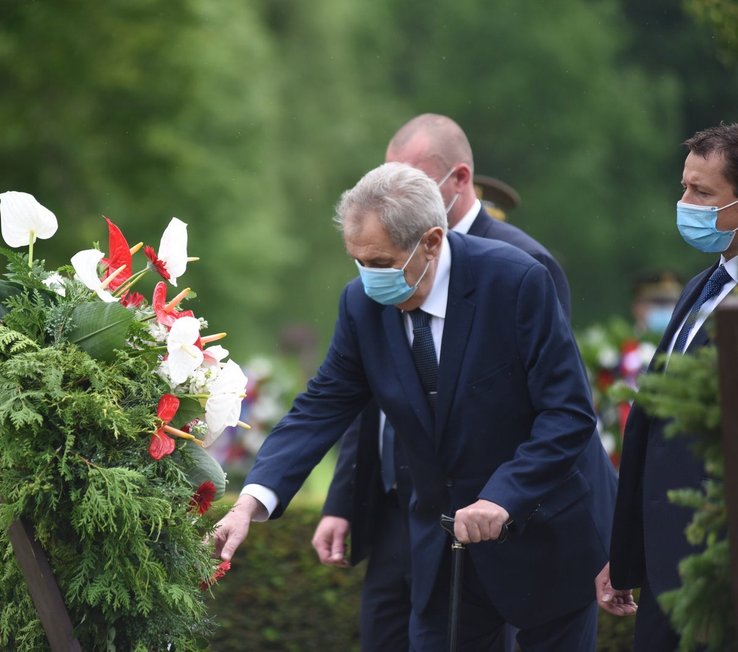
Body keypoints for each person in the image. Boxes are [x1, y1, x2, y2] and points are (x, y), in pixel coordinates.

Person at [214, 163, 617, 650]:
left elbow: (568, 414)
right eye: (357, 261)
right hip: (444, 555)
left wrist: (502, 496)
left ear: (430, 241)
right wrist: (250, 501)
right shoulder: (360, 304)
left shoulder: (515, 282)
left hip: (544, 537)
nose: (368, 278)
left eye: (381, 263)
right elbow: (321, 405)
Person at [314, 113, 573, 651]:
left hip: (523, 522)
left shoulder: (522, 271)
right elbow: (346, 399)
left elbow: (560, 407)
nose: (368, 275)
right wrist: (274, 497)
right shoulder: (370, 292)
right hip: (416, 515)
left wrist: (504, 496)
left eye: (412, 182)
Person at [599, 123, 738, 650]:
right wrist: (625, 554)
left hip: (719, 572)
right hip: (663, 569)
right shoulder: (701, 288)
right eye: (684, 187)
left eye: (703, 193)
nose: (685, 203)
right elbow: (651, 429)